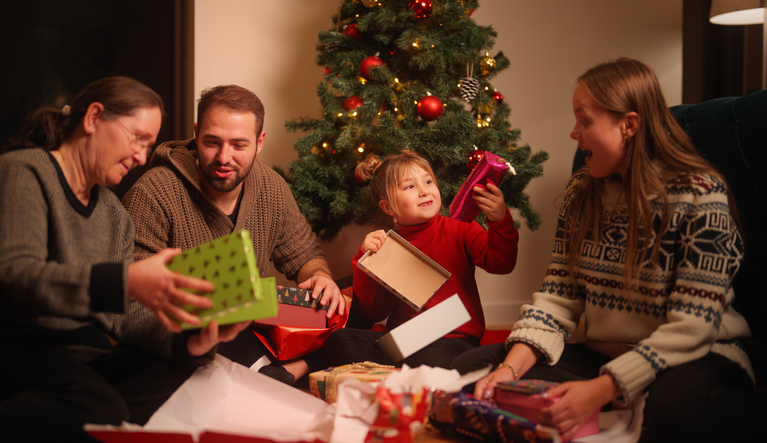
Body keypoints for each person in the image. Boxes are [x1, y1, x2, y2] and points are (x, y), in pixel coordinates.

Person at [451, 58, 757, 442]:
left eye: (584, 120)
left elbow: (692, 327)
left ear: (628, 125)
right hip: (603, 358)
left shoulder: (701, 196)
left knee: (676, 409)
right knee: (472, 371)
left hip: (694, 356)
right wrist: (509, 371)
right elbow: (558, 299)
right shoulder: (581, 195)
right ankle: (614, 413)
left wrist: (599, 390)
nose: (573, 133)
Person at [0, 77, 248, 442]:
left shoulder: (113, 213)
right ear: (93, 118)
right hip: (26, 347)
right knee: (98, 408)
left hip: (87, 360)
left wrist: (188, 340)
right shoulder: (27, 171)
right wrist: (126, 281)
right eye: (138, 139)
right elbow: (14, 275)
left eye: (149, 146)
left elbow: (124, 315)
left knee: (194, 375)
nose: (142, 158)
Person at [122, 84, 346, 385]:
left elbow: (304, 254)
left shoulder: (270, 186)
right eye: (212, 142)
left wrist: (321, 277)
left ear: (260, 141)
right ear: (197, 131)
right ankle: (280, 374)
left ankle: (279, 374)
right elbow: (129, 299)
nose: (224, 157)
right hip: (180, 340)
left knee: (346, 320)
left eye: (239, 145)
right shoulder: (152, 193)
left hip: (246, 330)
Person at [325, 150, 519, 368]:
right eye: (410, 186)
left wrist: (499, 219)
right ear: (388, 207)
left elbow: (501, 263)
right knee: (340, 341)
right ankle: (407, 375)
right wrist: (365, 260)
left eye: (428, 182)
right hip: (404, 342)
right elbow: (376, 312)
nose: (424, 191)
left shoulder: (460, 229)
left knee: (438, 359)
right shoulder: (388, 247)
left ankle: (403, 375)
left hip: (453, 340)